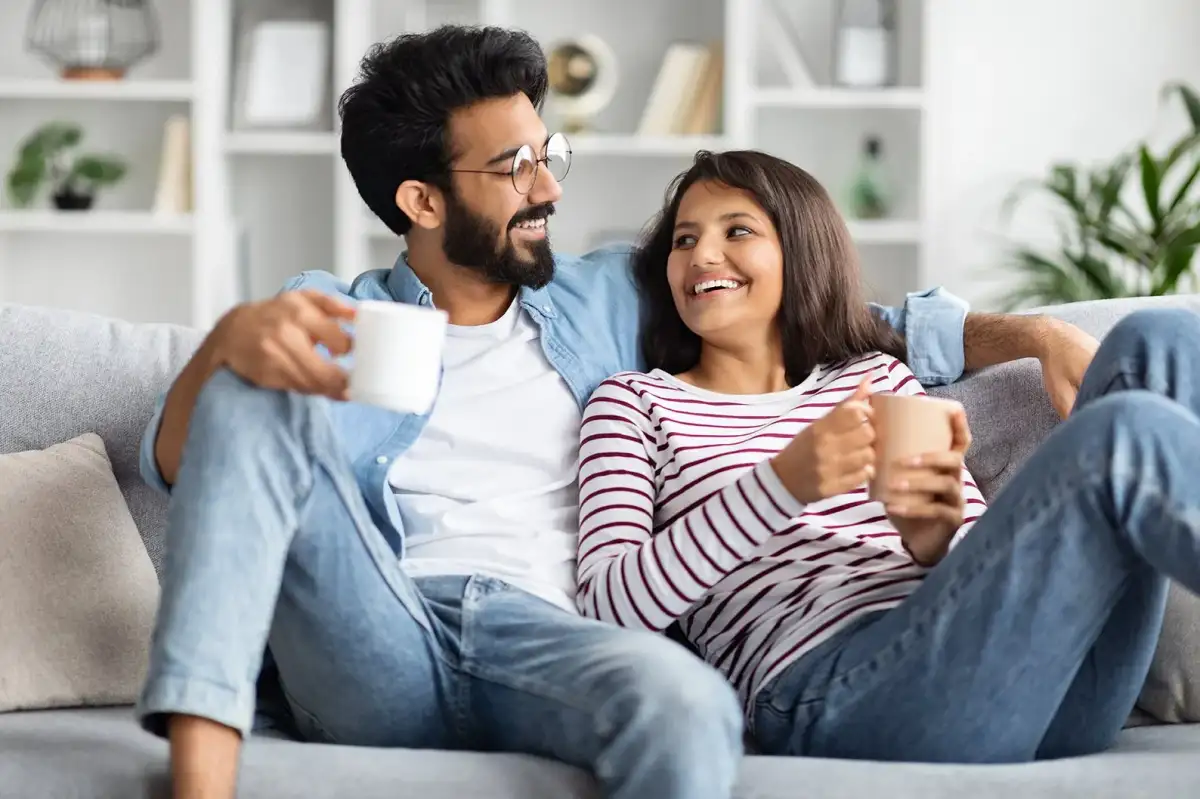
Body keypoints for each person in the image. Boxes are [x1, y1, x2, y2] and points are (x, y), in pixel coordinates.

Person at [137, 25, 1099, 799]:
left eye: (546, 152)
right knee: (251, 387)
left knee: (686, 705)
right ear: (422, 200)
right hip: (380, 631)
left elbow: (828, 314)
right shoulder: (338, 312)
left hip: (564, 641)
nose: (550, 185)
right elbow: (194, 457)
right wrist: (230, 341)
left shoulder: (607, 297)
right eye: (513, 166)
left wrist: (1036, 338)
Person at [575, 148, 1200, 765]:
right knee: (1124, 433)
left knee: (1158, 340)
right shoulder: (634, 403)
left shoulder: (873, 377)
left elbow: (974, 573)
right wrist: (783, 483)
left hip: (1033, 685)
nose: (702, 256)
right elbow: (608, 606)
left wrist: (933, 539)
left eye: (736, 230)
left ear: (799, 251)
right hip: (836, 689)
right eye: (684, 241)